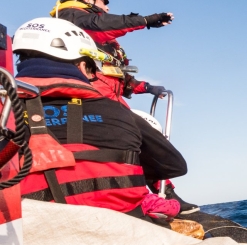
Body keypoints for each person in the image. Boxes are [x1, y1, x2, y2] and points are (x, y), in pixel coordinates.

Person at [12, 17, 188, 219]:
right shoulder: (120, 113)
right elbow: (174, 166)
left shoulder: (5, 114)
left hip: (32, 234)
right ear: (80, 67)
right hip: (123, 228)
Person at [51, 0, 172, 105]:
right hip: (88, 96)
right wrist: (145, 20)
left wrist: (147, 87)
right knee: (130, 123)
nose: (107, 8)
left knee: (142, 123)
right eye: (103, 2)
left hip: (109, 96)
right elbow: (102, 24)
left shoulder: (98, 36)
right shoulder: (71, 18)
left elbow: (116, 73)